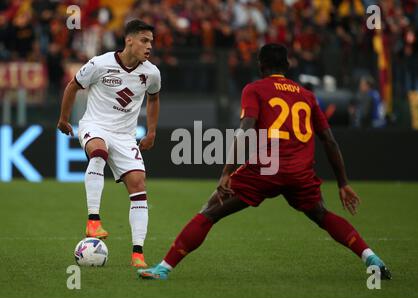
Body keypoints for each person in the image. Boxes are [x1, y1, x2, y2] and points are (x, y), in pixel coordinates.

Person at [137, 43, 391, 280]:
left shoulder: (255, 89)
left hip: (266, 168)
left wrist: (228, 171)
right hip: (300, 172)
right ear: (288, 65)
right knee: (322, 215)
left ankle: (163, 268)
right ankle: (371, 258)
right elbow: (329, 141)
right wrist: (343, 183)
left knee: (211, 211)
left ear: (260, 65)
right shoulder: (308, 96)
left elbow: (246, 128)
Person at [57, 20, 161, 268]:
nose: (149, 47)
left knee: (138, 185)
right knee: (99, 152)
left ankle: (138, 254)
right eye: (144, 41)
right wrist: (63, 118)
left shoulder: (152, 73)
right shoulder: (100, 64)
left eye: (151, 43)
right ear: (129, 40)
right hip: (95, 125)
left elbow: (154, 99)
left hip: (125, 136)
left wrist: (152, 131)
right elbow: (73, 86)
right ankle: (93, 220)